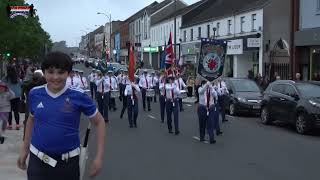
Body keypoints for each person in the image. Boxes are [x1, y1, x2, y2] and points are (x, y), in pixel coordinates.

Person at [17, 52, 105, 180]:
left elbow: (99, 122)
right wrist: (25, 148)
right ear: (44, 72)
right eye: (51, 72)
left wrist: (99, 157)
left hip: (68, 165)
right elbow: (31, 119)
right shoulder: (35, 93)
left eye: (61, 72)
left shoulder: (79, 96)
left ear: (68, 73)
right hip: (38, 162)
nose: (55, 77)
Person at [21, 70, 46, 139]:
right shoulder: (42, 85)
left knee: (27, 122)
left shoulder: (27, 85)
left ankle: (25, 137)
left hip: (28, 106)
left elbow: (23, 94)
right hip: (40, 106)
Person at [2, 66, 22, 130]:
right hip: (17, 96)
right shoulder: (17, 78)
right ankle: (17, 125)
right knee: (16, 111)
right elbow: (21, 84)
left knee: (9, 111)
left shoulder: (5, 78)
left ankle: (10, 125)